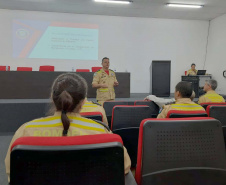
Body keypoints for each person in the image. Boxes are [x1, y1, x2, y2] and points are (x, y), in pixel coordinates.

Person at [5, 73, 131, 182]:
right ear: (83, 103)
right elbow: (124, 167)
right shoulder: (102, 133)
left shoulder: (26, 131)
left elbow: (12, 172)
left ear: (53, 99)